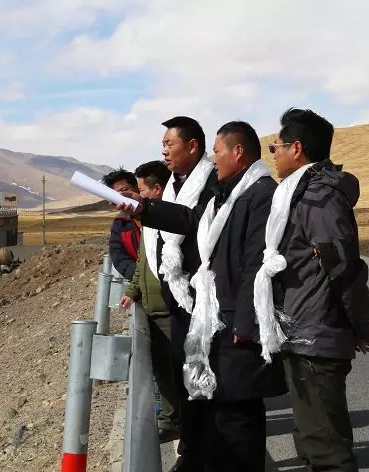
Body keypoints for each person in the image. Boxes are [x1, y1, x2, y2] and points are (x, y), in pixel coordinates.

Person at [119, 122, 287, 471]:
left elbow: (256, 264)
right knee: (221, 408)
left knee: (239, 413)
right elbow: (191, 219)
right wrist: (144, 209)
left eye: (218, 151)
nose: (214, 158)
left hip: (238, 324)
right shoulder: (230, 193)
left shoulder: (259, 194)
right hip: (218, 316)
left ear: (237, 152)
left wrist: (246, 323)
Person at [260, 108, 369, 472]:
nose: (273, 154)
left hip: (316, 334)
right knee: (312, 440)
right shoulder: (297, 194)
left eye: (275, 146)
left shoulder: (318, 198)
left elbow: (342, 267)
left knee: (327, 449)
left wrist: (358, 325)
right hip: (302, 331)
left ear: (296, 148)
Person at [119, 160, 180, 443]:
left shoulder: (173, 221)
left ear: (157, 190)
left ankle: (181, 424)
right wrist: (133, 291)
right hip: (152, 307)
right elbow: (143, 263)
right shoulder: (149, 225)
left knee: (177, 371)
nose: (138, 195)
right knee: (162, 371)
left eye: (142, 190)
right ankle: (171, 420)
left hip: (170, 308)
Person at [102, 168, 141, 280]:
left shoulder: (156, 212)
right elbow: (118, 256)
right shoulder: (120, 223)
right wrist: (140, 278)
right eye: (117, 194)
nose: (123, 196)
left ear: (136, 188)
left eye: (125, 190)